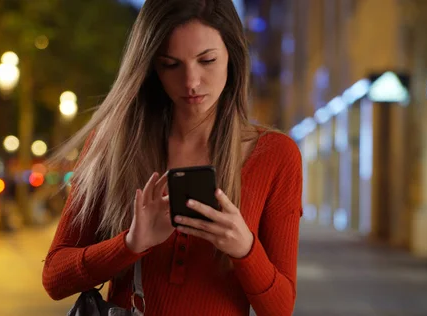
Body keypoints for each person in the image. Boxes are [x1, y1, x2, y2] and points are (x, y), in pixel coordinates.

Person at [42, 0, 303, 315]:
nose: (191, 82)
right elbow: (54, 278)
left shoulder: (277, 155)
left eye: (206, 60)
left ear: (233, 57)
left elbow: (280, 308)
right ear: (151, 65)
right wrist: (130, 244)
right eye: (170, 64)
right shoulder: (113, 146)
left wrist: (245, 249)